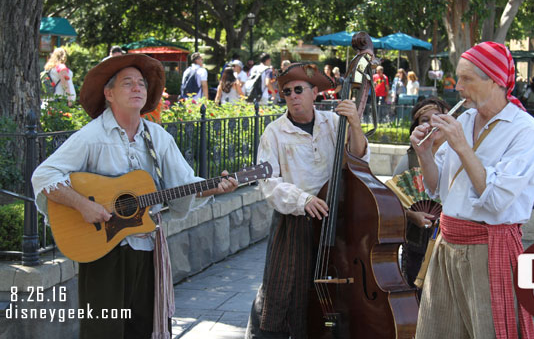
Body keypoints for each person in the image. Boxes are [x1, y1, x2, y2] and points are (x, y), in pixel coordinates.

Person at [31, 54, 238, 339]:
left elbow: (183, 183)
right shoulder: (92, 136)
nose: (138, 88)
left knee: (144, 327)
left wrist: (214, 186)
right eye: (127, 83)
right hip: (102, 250)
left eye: (141, 83)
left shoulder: (158, 137)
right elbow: (44, 175)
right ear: (109, 93)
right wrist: (82, 205)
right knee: (103, 331)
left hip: (147, 248)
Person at [410, 42, 534, 339]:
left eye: (467, 79)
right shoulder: (465, 120)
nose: (458, 87)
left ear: (494, 80)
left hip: (487, 248)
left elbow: (496, 201)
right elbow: (435, 189)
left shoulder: (524, 130)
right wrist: (425, 153)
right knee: (436, 332)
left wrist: (461, 145)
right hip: (446, 247)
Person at [245, 62, 369, 339]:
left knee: (334, 290)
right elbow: (269, 183)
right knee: (281, 292)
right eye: (286, 92)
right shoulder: (274, 132)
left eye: (298, 90)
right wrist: (303, 200)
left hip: (334, 219)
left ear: (315, 92)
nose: (292, 96)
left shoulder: (334, 122)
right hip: (293, 221)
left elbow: (359, 159)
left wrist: (356, 126)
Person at [392, 97, 450, 287]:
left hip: (451, 244)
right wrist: (411, 215)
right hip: (417, 245)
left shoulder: (458, 155)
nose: (432, 123)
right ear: (416, 125)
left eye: (438, 116)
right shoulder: (410, 160)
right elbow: (392, 199)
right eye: (425, 119)